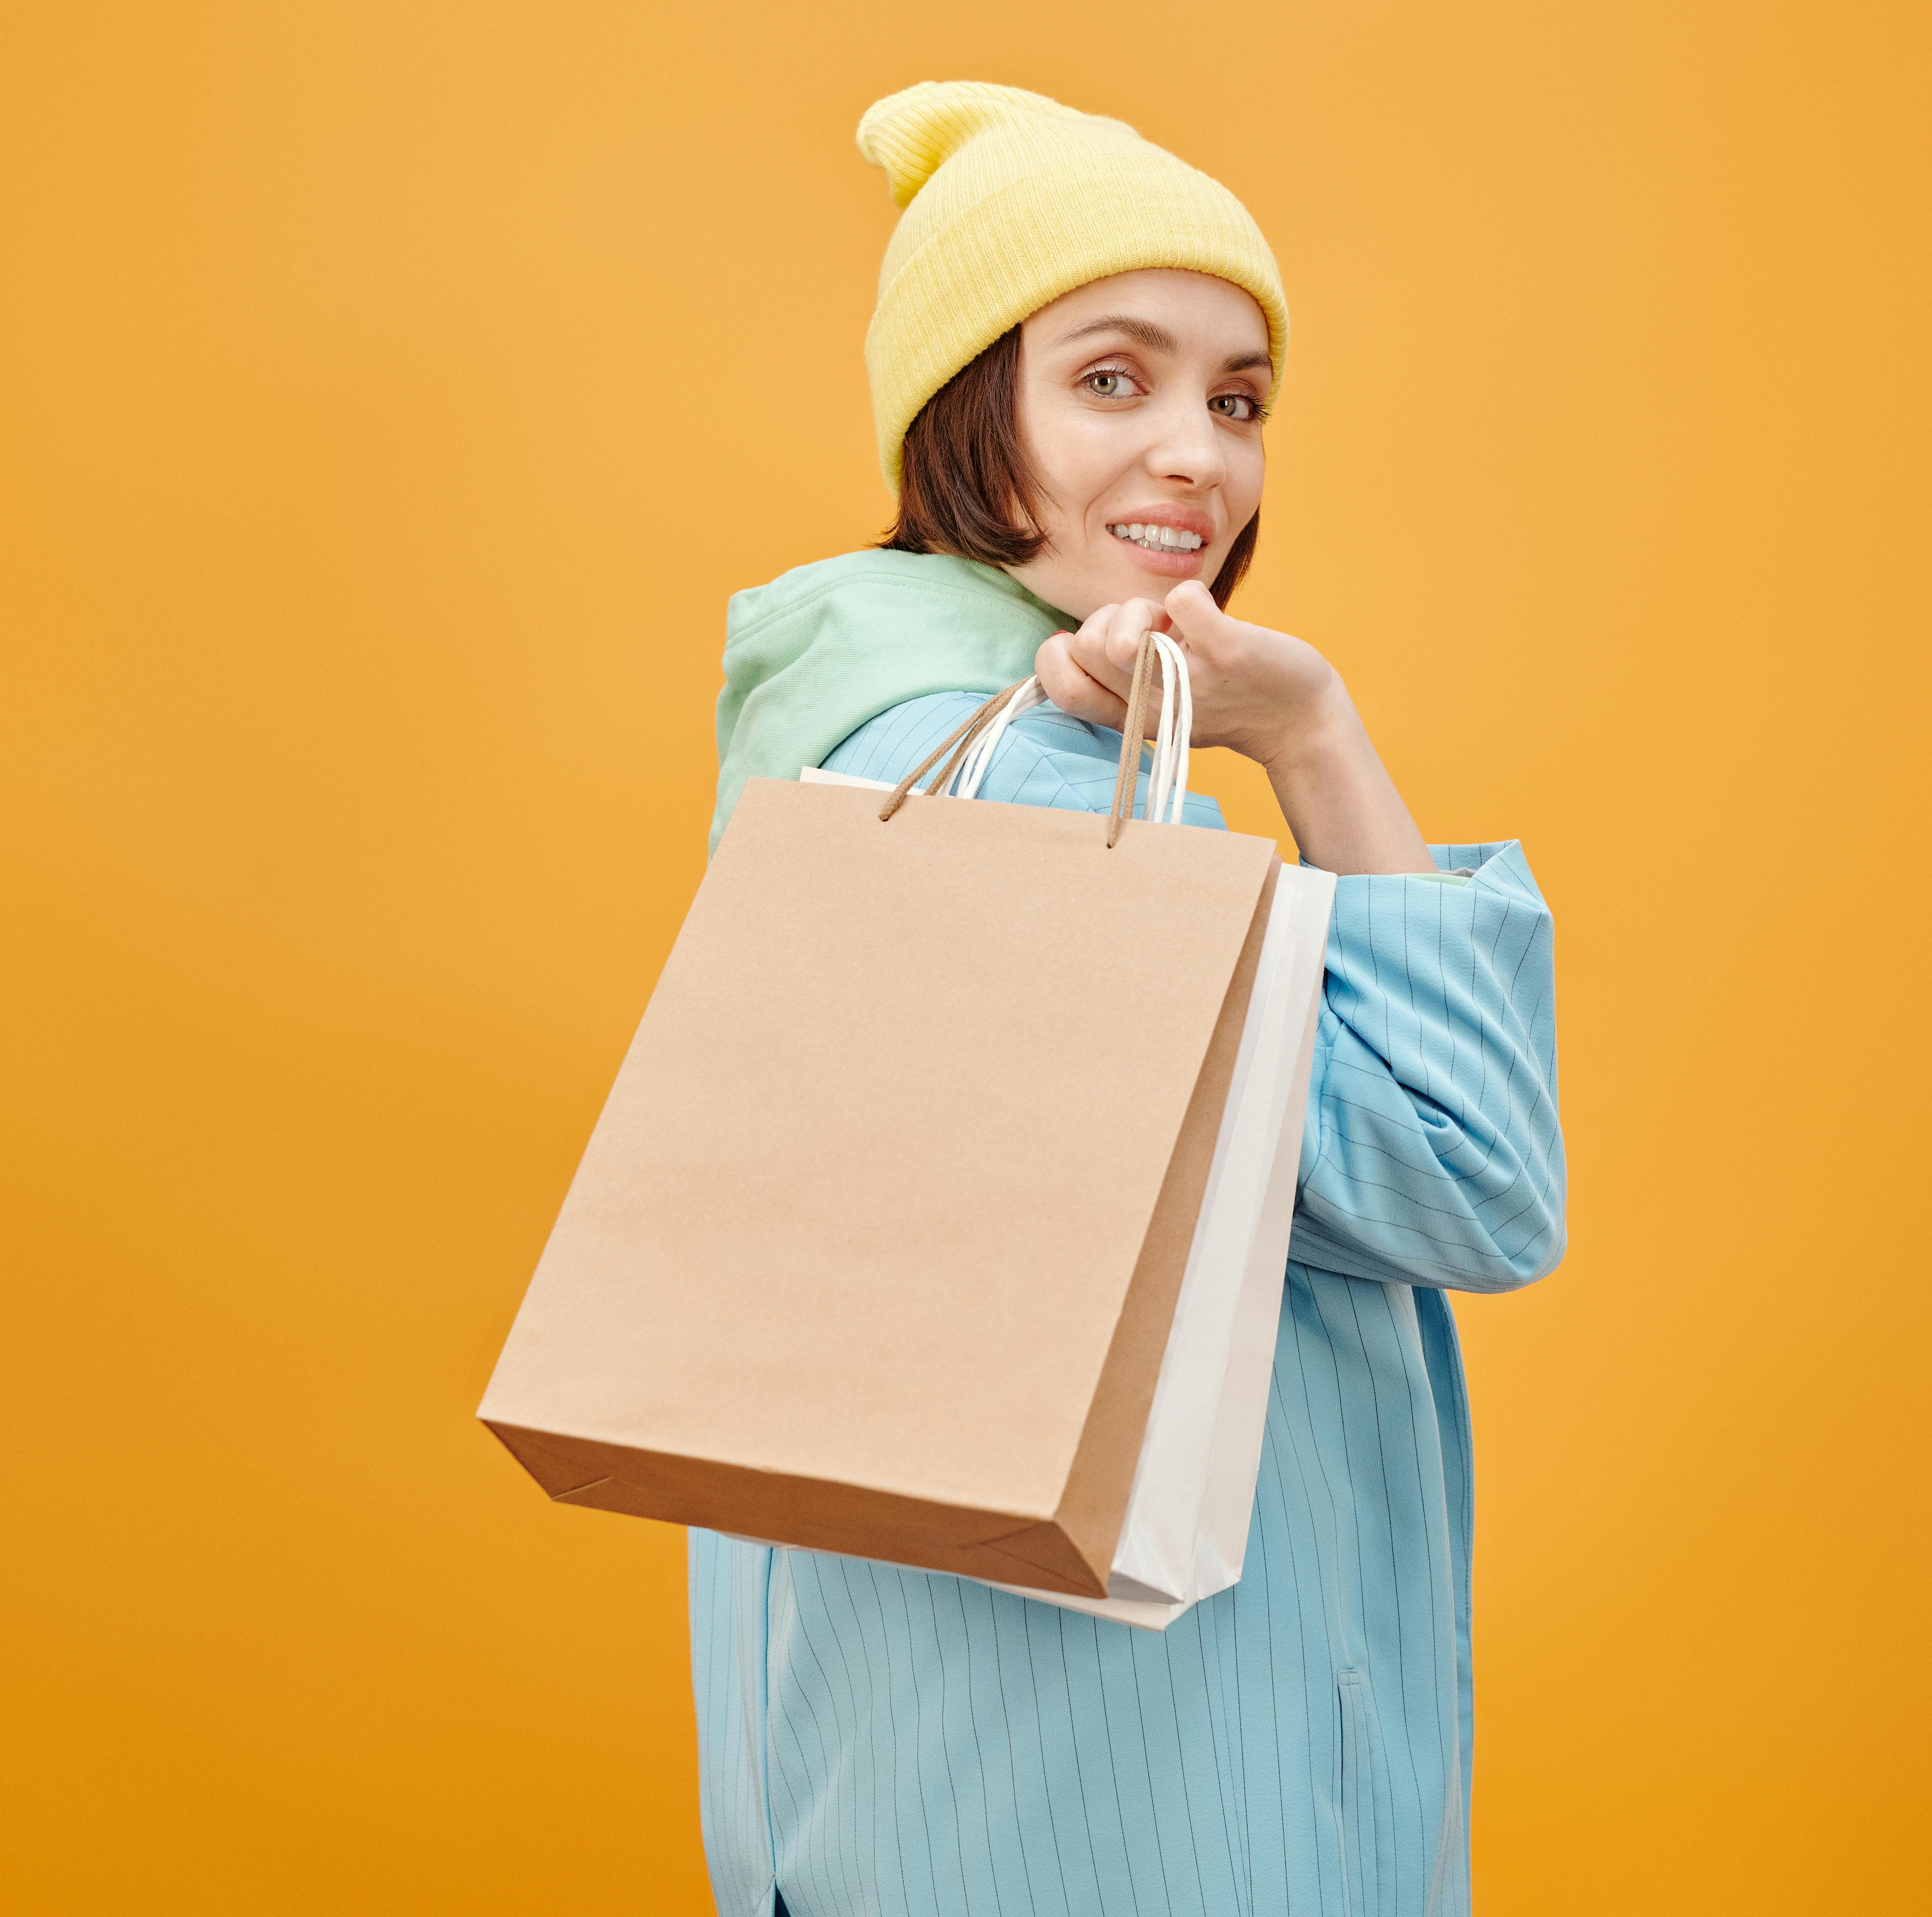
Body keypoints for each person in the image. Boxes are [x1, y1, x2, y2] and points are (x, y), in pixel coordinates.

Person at [698, 81, 1566, 1917]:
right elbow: (1474, 1183)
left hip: (946, 1769)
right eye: (1114, 380)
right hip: (1114, 1794)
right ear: (966, 420)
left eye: (1238, 400)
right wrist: (1317, 731)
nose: (1199, 455)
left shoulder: (865, 755)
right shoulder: (1006, 798)